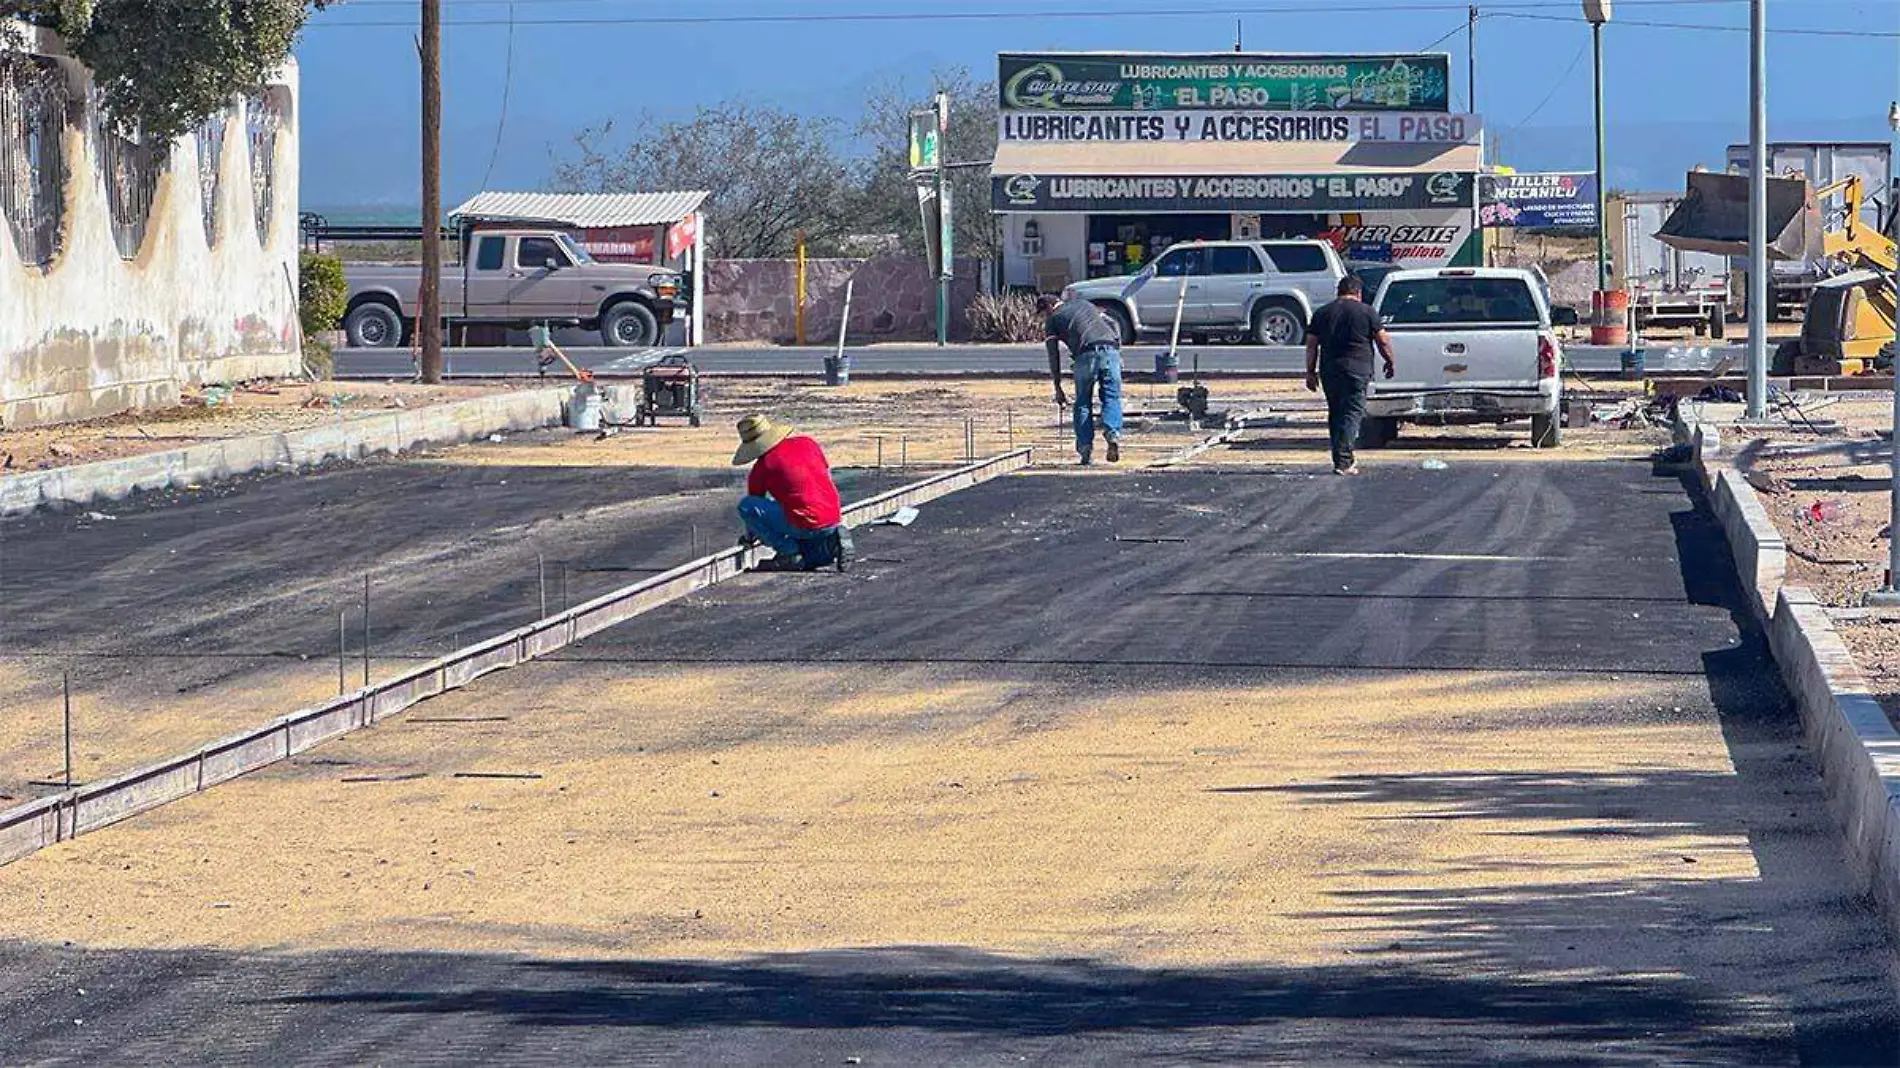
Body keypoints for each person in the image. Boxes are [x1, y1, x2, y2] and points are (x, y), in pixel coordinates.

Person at [733, 413, 851, 571]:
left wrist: (750, 537)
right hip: (833, 516)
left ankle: (787, 552)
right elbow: (823, 476)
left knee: (746, 506)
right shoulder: (807, 443)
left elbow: (754, 509)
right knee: (816, 556)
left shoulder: (763, 467)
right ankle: (833, 539)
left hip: (806, 524)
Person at [1305, 274, 1397, 476]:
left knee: (1336, 413)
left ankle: (1340, 457)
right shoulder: (1367, 312)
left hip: (1330, 370)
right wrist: (1390, 361)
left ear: (1338, 291)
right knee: (1352, 413)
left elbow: (1312, 345)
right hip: (1357, 369)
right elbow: (1382, 340)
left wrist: (1310, 372)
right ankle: (1344, 461)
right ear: (1359, 292)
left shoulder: (1322, 313)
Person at [1038, 293, 1123, 465]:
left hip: (1086, 355)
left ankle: (1085, 449)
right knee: (1111, 398)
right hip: (1110, 351)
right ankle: (1112, 434)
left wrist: (1057, 386)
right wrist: (1117, 350)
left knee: (1083, 403)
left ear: (1048, 308)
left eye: (1042, 314)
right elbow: (1113, 323)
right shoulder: (1084, 304)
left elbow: (1053, 354)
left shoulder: (1053, 319)